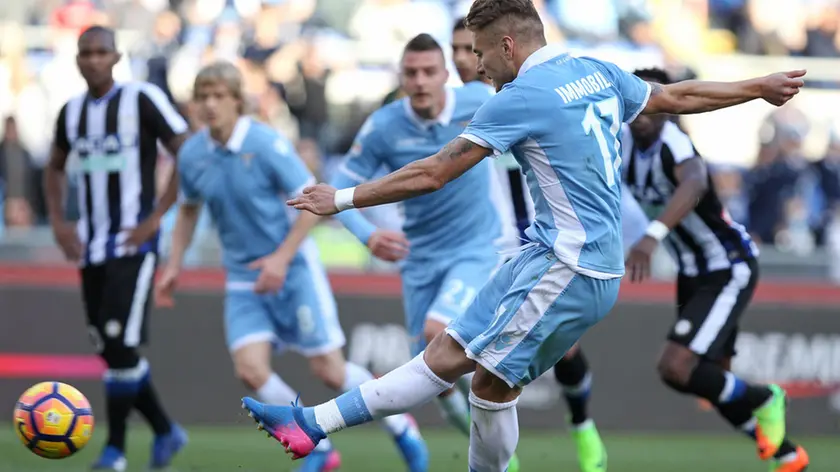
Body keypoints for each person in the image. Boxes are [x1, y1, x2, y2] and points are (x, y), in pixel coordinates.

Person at [245, 1, 805, 470]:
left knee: (484, 384)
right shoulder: (595, 69)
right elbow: (674, 97)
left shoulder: (520, 97)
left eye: (481, 53)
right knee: (452, 358)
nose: (478, 67)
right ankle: (312, 424)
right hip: (543, 254)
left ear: (508, 46)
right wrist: (757, 86)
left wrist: (340, 198)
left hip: (572, 266)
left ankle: (314, 425)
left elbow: (434, 172)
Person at [153, 61, 428, 472]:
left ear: (237, 102)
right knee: (249, 371)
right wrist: (174, 263)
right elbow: (189, 209)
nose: (209, 105)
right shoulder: (192, 155)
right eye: (202, 97)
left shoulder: (266, 145)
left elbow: (314, 201)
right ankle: (316, 448)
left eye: (218, 96)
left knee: (331, 372)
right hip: (244, 278)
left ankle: (401, 426)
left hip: (294, 269)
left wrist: (283, 259)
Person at [328, 33, 522, 471]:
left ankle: (499, 461)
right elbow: (341, 186)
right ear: (400, 77)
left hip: (477, 249)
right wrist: (368, 235)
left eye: (429, 72)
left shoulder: (478, 101)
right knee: (438, 380)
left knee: (440, 331)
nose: (419, 81)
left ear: (446, 75)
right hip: (419, 261)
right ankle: (498, 459)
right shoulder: (384, 125)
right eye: (411, 73)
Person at [623, 68, 810, 472]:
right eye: (634, 108)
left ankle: (765, 398)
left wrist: (652, 235)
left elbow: (694, 185)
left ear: (667, 109)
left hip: (727, 266)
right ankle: (789, 456)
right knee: (706, 378)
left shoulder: (674, 144)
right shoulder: (620, 145)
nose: (640, 117)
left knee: (675, 367)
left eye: (649, 109)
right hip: (693, 272)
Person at [456, 15, 609, 471]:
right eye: (457, 49)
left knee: (560, 350)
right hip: (476, 247)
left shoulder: (528, 94)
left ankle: (582, 427)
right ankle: (500, 455)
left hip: (534, 242)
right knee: (459, 353)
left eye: (472, 49)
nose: (465, 58)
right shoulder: (447, 104)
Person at [43, 26, 189, 471]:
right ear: (76, 60)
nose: (93, 60)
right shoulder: (70, 113)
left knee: (119, 346)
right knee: (109, 349)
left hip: (133, 245)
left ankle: (116, 450)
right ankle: (166, 430)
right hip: (91, 248)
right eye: (85, 52)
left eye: (101, 52)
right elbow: (53, 167)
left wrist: (156, 218)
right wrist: (58, 222)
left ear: (116, 56)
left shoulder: (141, 100)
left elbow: (187, 151)